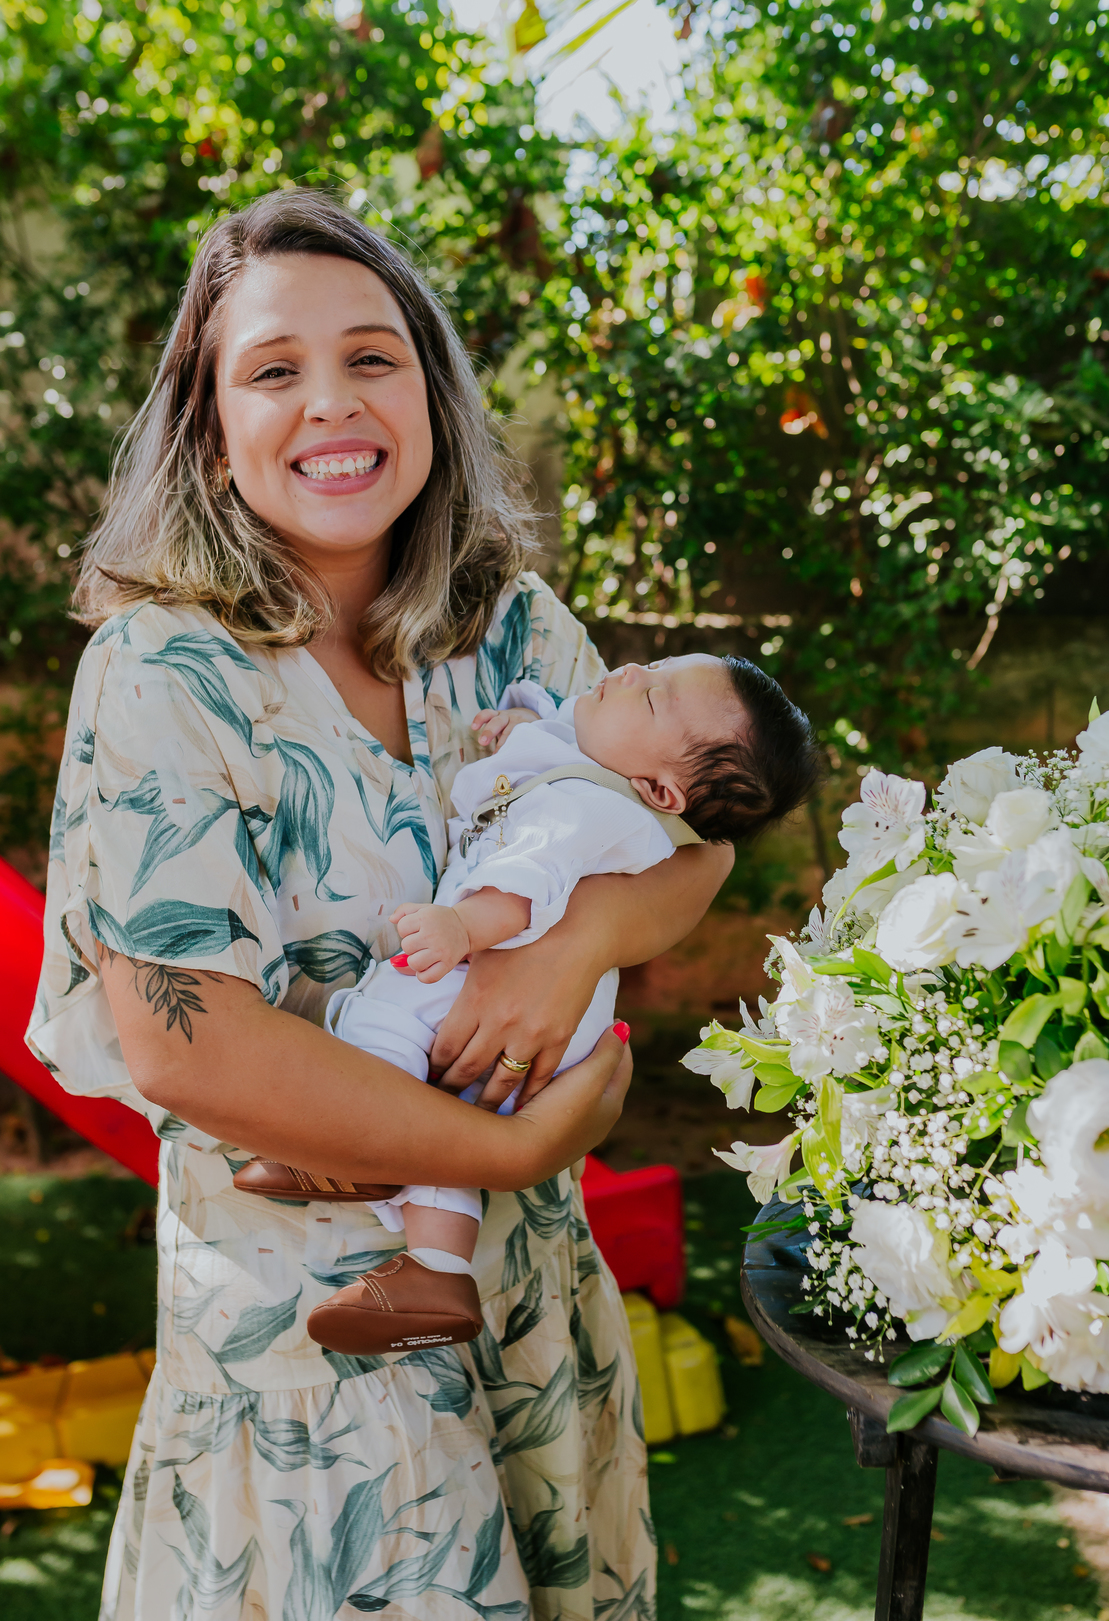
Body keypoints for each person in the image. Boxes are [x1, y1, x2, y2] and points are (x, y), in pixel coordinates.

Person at [26, 189, 734, 1621]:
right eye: (274, 370)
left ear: (430, 387)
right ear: (209, 421)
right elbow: (184, 1041)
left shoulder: (514, 625)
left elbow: (693, 849)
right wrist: (524, 1132)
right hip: (311, 1339)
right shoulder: (165, 667)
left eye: (373, 357)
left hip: (533, 1301)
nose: (333, 403)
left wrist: (582, 945)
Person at [233, 655, 818, 1354]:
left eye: (654, 696)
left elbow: (526, 878)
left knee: (380, 1018)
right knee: (442, 1125)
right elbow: (561, 739)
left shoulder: (587, 807)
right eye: (654, 666)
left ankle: (345, 1144)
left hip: (496, 974)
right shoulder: (600, 767)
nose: (631, 669)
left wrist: (461, 927)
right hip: (545, 1017)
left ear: (659, 789)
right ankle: (440, 1271)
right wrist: (522, 726)